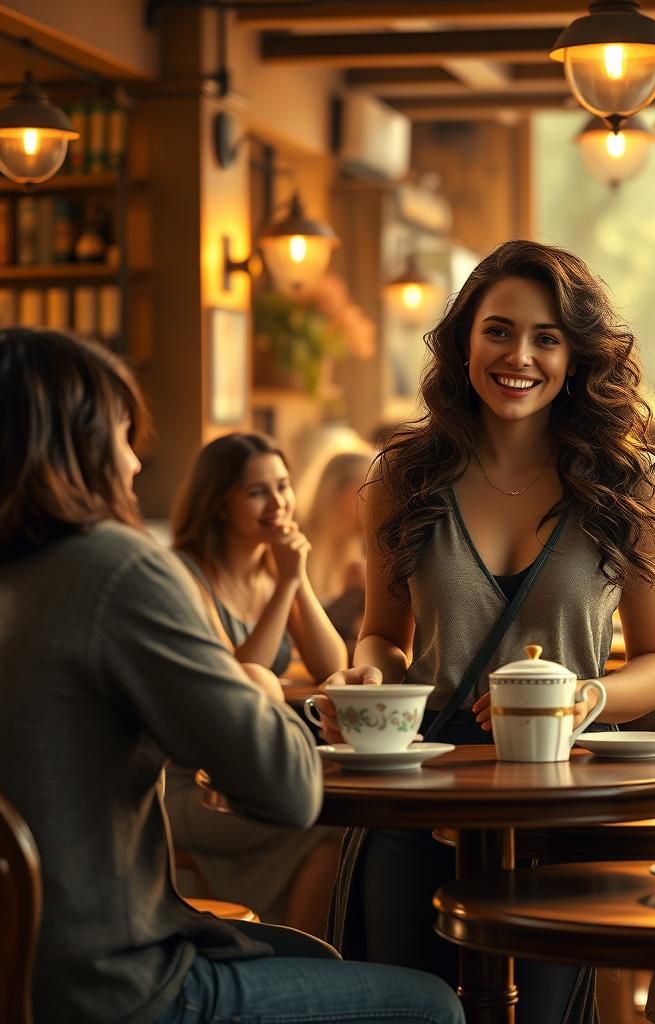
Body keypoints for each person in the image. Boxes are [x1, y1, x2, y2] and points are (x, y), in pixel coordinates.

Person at [0, 328, 464, 1024]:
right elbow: (285, 787)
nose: (133, 461)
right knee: (430, 1005)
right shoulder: (117, 569)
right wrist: (260, 689)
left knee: (315, 960)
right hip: (111, 985)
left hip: (23, 972)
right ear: (76, 443)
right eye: (124, 434)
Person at [327, 239, 655, 1024]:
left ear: (576, 355)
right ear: (464, 342)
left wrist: (588, 696)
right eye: (498, 330)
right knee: (404, 1008)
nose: (518, 356)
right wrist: (369, 675)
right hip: (419, 795)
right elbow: (382, 637)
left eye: (546, 338)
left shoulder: (630, 480)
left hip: (559, 802)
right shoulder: (402, 476)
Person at [164, 433, 348, 934]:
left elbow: (333, 665)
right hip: (195, 785)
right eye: (256, 492)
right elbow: (235, 685)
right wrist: (287, 582)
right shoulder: (186, 576)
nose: (278, 503)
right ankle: (303, 960)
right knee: (323, 835)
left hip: (257, 774)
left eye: (283, 486)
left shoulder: (274, 572)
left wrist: (297, 577)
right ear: (219, 503)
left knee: (343, 833)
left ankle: (299, 956)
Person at [298, 449, 372, 657]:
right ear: (339, 491)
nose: (379, 498)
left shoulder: (366, 548)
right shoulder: (296, 545)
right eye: (368, 488)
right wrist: (352, 595)